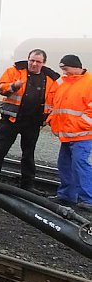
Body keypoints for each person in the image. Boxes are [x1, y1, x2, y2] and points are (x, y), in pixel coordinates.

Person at [0, 49, 60, 191]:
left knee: (28, 155)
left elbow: (55, 102)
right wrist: (13, 86)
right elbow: (0, 87)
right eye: (31, 60)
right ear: (28, 59)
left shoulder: (51, 79)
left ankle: (27, 185)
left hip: (32, 123)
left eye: (38, 61)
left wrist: (48, 119)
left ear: (43, 63)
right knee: (0, 151)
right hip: (11, 119)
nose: (34, 64)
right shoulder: (14, 71)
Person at [47, 55, 92, 211]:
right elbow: (56, 105)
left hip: (83, 135)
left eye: (65, 69)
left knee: (79, 164)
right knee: (65, 164)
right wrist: (52, 119)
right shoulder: (64, 83)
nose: (64, 73)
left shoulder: (89, 83)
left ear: (75, 67)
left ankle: (87, 199)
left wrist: (77, 125)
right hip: (67, 134)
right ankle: (67, 196)